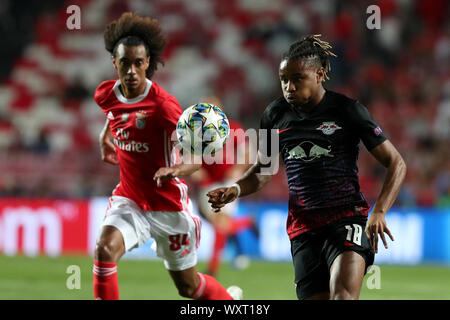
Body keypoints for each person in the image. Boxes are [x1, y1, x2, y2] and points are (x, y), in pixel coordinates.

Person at [207, 35, 406, 300]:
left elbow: (396, 163)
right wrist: (236, 188)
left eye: (297, 79)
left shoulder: (347, 111)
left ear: (319, 74)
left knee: (343, 296)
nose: (288, 87)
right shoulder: (274, 115)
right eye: (283, 79)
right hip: (303, 229)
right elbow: (264, 171)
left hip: (346, 219)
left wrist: (379, 210)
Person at [93, 12, 242, 300]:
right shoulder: (105, 94)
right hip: (130, 200)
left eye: (139, 63)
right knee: (104, 248)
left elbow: (197, 157)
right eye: (125, 63)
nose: (132, 71)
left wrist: (176, 169)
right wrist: (105, 136)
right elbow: (112, 112)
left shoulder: (163, 106)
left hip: (168, 207)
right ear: (115, 62)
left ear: (148, 63)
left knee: (189, 288)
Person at [190, 96, 256, 277]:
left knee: (220, 223)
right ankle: (247, 222)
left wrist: (237, 170)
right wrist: (197, 174)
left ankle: (212, 269)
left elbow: (248, 154)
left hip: (227, 182)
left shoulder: (234, 128)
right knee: (219, 224)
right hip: (207, 184)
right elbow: (189, 159)